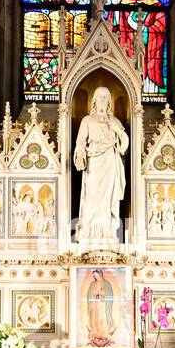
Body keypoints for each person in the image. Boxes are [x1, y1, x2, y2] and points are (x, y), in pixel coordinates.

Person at [74, 87, 129, 245]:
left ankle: (108, 231)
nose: (103, 100)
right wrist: (79, 155)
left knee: (108, 197)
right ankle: (89, 231)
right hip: (94, 163)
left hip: (110, 162)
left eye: (106, 97)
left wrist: (117, 129)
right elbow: (80, 142)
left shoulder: (115, 121)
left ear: (109, 101)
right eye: (100, 97)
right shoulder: (87, 120)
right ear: (94, 100)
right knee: (92, 195)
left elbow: (124, 145)